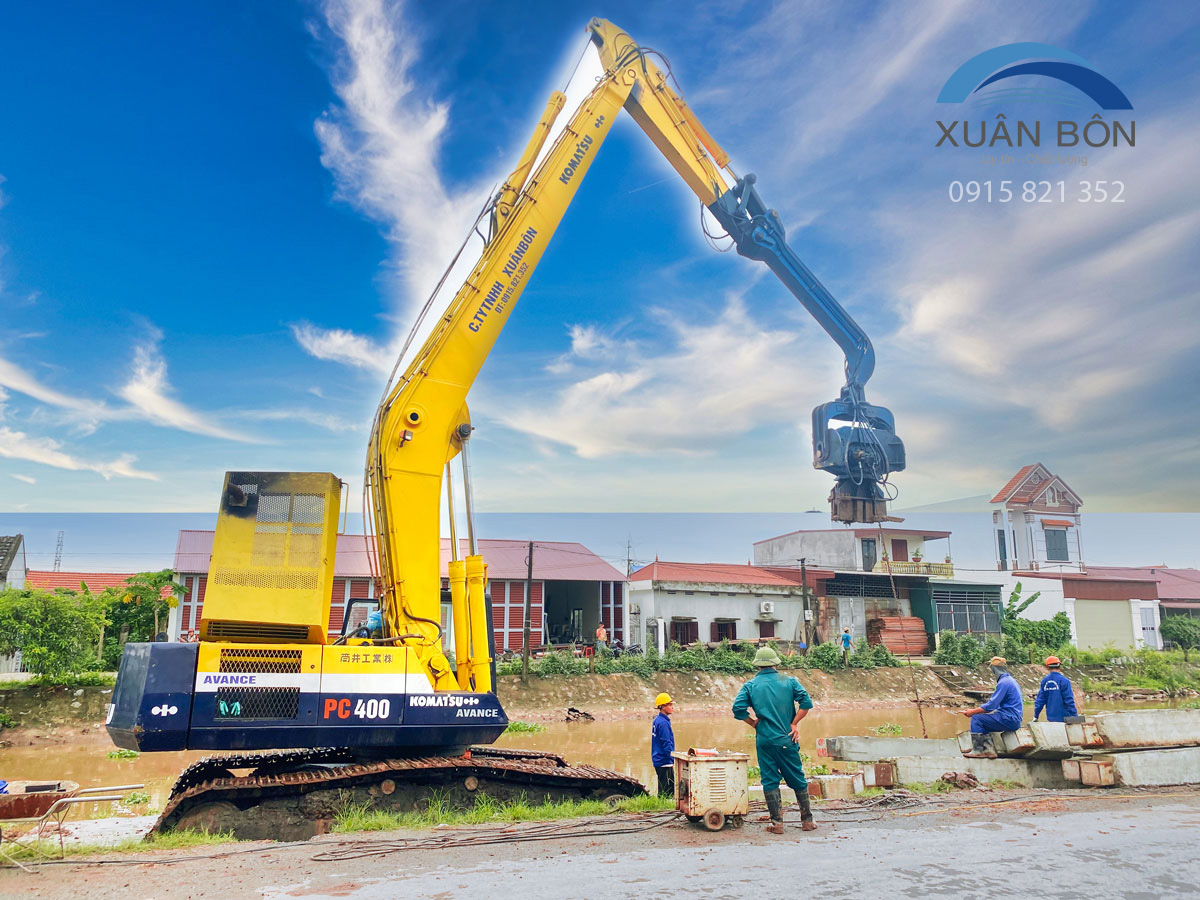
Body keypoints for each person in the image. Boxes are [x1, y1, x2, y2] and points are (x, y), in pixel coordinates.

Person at [732, 646, 817, 834]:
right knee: (797, 778)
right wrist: (794, 723)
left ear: (758, 665)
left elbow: (737, 709)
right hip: (786, 739)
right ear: (776, 664)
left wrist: (753, 723)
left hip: (764, 740)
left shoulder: (750, 685)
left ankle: (777, 823)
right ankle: (807, 821)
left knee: (770, 780)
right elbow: (806, 703)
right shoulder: (790, 682)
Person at [955, 656, 1024, 758]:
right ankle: (989, 750)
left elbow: (990, 706)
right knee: (986, 720)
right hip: (1015, 719)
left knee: (977, 719)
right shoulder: (1012, 681)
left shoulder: (1003, 683)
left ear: (994, 669)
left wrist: (972, 712)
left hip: (1009, 719)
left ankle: (979, 750)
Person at [1033, 656, 1078, 723]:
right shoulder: (1064, 681)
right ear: (1059, 667)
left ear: (1047, 667)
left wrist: (1036, 716)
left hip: (1051, 719)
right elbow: (1069, 701)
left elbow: (1040, 701)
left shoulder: (1044, 681)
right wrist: (1075, 716)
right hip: (1066, 719)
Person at [651, 692, 676, 798]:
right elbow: (666, 743)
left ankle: (661, 804)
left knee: (662, 788)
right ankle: (666, 806)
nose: (672, 707)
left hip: (658, 759)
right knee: (668, 791)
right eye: (669, 705)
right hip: (664, 761)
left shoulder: (657, 720)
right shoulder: (663, 723)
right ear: (662, 706)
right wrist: (672, 758)